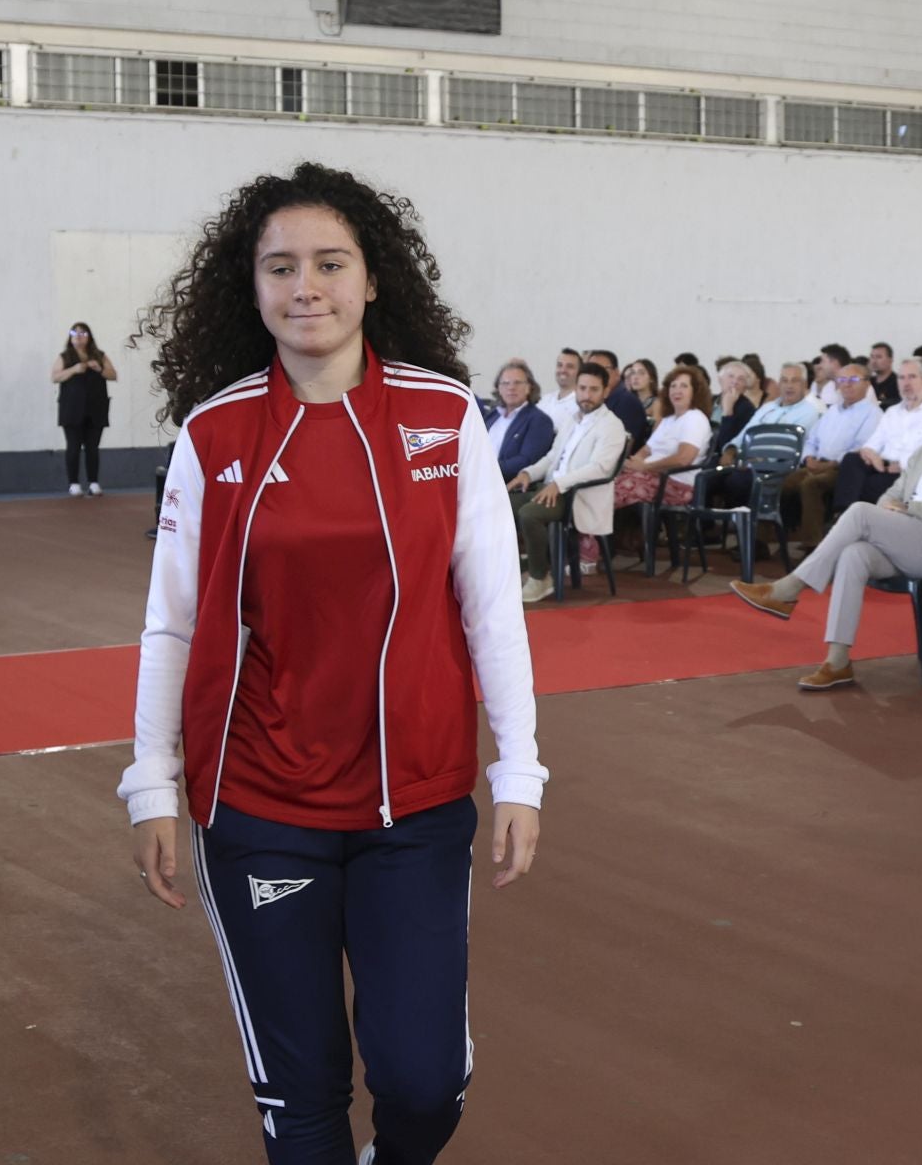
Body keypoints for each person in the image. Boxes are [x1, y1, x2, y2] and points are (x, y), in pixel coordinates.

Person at [118, 161, 543, 1165]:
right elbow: (169, 621)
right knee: (299, 1097)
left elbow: (492, 607)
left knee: (423, 1081)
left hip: (417, 803)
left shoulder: (444, 419)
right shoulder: (215, 433)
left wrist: (518, 768)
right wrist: (151, 781)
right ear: (252, 286)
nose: (305, 285)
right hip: (261, 803)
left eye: (329, 261)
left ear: (372, 278)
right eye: (280, 267)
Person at [728, 378, 922, 690]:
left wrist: (913, 509)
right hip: (910, 540)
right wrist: (896, 508)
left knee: (860, 512)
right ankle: (837, 660)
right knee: (853, 554)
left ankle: (789, 589)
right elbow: (891, 495)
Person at [510, 362, 626, 602]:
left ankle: (539, 577)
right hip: (551, 487)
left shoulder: (612, 425)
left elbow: (600, 468)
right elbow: (552, 456)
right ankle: (521, 564)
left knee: (530, 514)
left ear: (606, 391)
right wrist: (528, 474)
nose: (586, 395)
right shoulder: (572, 420)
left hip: (576, 495)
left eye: (594, 389)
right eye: (582, 388)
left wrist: (559, 484)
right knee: (503, 504)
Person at [599, 365, 713, 564]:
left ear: (695, 391)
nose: (677, 391)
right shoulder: (669, 420)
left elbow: (683, 458)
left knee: (608, 492)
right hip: (652, 477)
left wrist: (644, 467)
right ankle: (599, 547)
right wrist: (636, 461)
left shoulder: (695, 419)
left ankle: (591, 550)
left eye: (684, 386)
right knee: (602, 482)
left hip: (677, 484)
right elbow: (647, 449)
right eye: (673, 386)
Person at [781, 364, 881, 547]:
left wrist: (828, 465)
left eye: (854, 380)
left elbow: (861, 448)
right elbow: (812, 440)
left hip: (843, 470)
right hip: (816, 464)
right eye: (842, 380)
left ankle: (813, 545)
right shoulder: (833, 411)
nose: (847, 385)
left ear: (867, 384)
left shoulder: (872, 413)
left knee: (811, 485)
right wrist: (809, 458)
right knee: (782, 483)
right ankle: (768, 542)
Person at [705, 362, 823, 513]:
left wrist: (750, 460)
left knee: (736, 480)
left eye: (795, 381)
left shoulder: (809, 412)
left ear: (805, 385)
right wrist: (731, 450)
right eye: (784, 380)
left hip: (774, 468)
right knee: (708, 473)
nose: (789, 386)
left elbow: (785, 447)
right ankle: (704, 530)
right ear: (779, 384)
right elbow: (745, 434)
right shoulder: (768, 408)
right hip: (744, 462)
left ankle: (741, 527)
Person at [836, 357, 922, 510]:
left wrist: (900, 463)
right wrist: (872, 455)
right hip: (881, 466)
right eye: (901, 378)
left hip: (907, 474)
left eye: (912, 377)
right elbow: (871, 446)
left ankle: (845, 517)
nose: (906, 383)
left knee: (863, 485)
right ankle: (842, 514)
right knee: (851, 459)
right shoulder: (892, 412)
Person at [52, 321, 116, 496]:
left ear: (89, 337)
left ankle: (93, 483)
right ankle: (73, 483)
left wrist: (100, 368)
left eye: (83, 333)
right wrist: (73, 370)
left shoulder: (99, 355)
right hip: (71, 409)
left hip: (96, 407)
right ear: (70, 337)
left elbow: (113, 375)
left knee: (92, 447)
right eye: (75, 333)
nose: (79, 337)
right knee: (73, 446)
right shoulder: (65, 357)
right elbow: (55, 377)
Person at [484, 361, 556, 484]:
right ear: (499, 389)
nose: (511, 387)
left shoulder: (539, 420)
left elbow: (527, 461)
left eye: (517, 382)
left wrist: (486, 470)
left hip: (508, 486)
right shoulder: (492, 416)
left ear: (529, 387)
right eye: (505, 383)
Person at [587, 349, 651, 449]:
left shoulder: (627, 402)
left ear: (617, 372)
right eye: (590, 370)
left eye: (602, 369)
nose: (595, 375)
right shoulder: (591, 399)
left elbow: (621, 448)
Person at [711, 358, 765, 451]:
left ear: (745, 386)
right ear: (720, 379)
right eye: (731, 376)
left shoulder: (747, 409)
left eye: (741, 379)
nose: (735, 382)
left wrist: (728, 411)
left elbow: (726, 445)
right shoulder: (710, 401)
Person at [538, 347, 582, 427]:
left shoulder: (581, 404)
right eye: (560, 365)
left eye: (570, 366)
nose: (563, 370)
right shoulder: (544, 400)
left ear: (580, 372)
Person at [624, 358, 663, 426]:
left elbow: (656, 433)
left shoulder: (656, 403)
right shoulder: (627, 401)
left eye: (641, 373)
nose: (635, 377)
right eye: (633, 373)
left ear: (651, 378)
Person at [812, 343, 852, 409]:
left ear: (834, 362)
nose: (820, 366)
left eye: (823, 361)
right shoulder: (829, 387)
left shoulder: (857, 387)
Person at [869, 341, 902, 409]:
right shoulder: (868, 382)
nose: (874, 361)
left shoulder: (898, 383)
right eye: (872, 357)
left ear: (890, 360)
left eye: (879, 357)